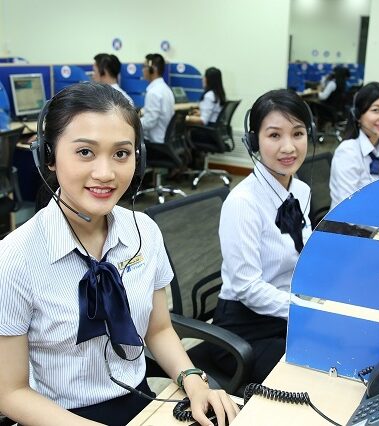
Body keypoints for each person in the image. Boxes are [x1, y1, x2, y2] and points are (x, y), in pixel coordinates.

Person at [0, 83, 238, 426]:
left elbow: (158, 330)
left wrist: (193, 380)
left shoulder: (143, 231)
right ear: (48, 156)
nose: (106, 173)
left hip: (141, 402)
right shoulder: (15, 258)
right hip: (57, 416)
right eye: (85, 152)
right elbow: (10, 393)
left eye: (121, 154)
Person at [211, 89, 312, 384]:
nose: (288, 147)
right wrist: (305, 309)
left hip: (286, 316)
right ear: (255, 141)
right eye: (274, 135)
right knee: (310, 375)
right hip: (243, 330)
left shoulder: (301, 190)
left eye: (298, 133)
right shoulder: (242, 203)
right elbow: (247, 288)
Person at [329, 82, 379, 208]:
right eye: (376, 110)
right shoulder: (348, 152)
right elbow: (348, 208)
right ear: (358, 115)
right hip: (350, 219)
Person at [141, 53, 175, 144]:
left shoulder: (153, 92)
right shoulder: (166, 89)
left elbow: (149, 122)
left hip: (155, 143)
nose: (142, 70)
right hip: (165, 140)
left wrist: (132, 123)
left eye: (144, 67)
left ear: (153, 69)